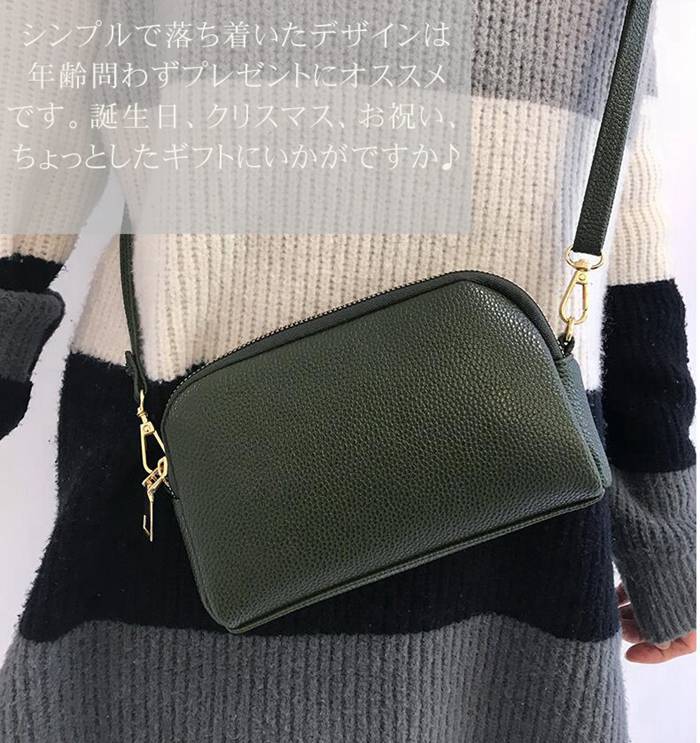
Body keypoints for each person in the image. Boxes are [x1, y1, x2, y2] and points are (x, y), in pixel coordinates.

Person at [0, 1, 695, 741]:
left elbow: (623, 185)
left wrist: (666, 541)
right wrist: (666, 539)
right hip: (201, 475)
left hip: (503, 479)